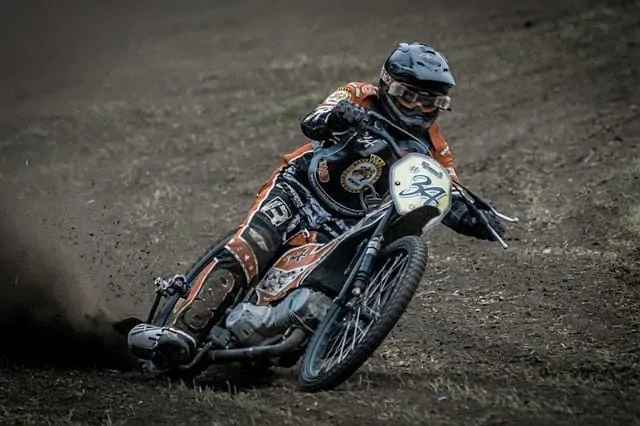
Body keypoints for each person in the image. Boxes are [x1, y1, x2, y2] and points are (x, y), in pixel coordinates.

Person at [127, 42, 506, 369]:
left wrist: (474, 216)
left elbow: (445, 188)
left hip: (346, 225)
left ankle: (290, 332)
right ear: (387, 83)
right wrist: (339, 115)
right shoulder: (359, 95)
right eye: (409, 95)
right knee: (253, 244)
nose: (418, 107)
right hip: (300, 189)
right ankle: (179, 331)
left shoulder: (436, 149)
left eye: (429, 101)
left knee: (345, 273)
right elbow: (314, 120)